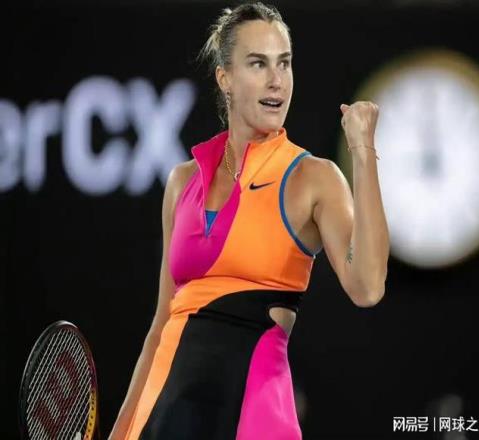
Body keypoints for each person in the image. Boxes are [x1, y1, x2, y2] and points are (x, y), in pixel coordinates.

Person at [109, 2, 390, 439]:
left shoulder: (313, 178)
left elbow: (368, 286)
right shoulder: (182, 182)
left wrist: (363, 151)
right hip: (164, 418)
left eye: (285, 63)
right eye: (258, 64)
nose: (277, 80)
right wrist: (120, 431)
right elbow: (161, 326)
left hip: (255, 421)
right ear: (225, 78)